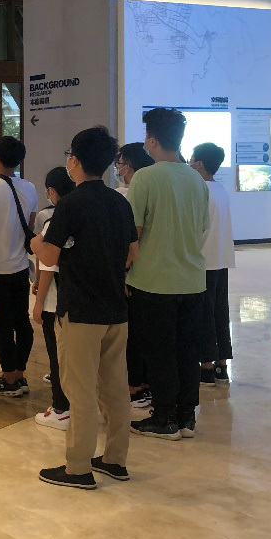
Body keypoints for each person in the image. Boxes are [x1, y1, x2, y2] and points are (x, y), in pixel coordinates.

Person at [31, 127, 138, 490]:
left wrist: (36, 242)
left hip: (79, 312)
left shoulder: (70, 204)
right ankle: (115, 459)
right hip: (116, 310)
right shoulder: (120, 203)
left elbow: (49, 256)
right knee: (115, 389)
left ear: (74, 161)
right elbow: (133, 252)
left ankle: (78, 468)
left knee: (80, 392)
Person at [127, 108, 210, 441]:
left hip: (153, 281)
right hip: (193, 280)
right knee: (188, 351)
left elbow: (132, 233)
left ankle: (164, 418)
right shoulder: (196, 179)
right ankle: (186, 417)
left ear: (152, 140)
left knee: (160, 352)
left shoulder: (145, 178)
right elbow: (201, 227)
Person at [0, 136, 38, 397]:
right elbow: (30, 227)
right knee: (21, 322)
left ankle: (9, 379)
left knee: (1, 325)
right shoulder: (30, 188)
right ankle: (20, 374)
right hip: (19, 268)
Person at [31, 166, 75, 430]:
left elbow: (48, 264)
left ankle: (61, 407)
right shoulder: (82, 215)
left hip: (56, 301)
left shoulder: (54, 221)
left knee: (57, 355)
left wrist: (38, 302)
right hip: (79, 299)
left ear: (52, 191)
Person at [189, 142, 235, 386]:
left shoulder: (200, 190)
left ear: (199, 164)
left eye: (191, 159)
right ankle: (221, 366)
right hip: (221, 259)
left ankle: (206, 368)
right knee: (220, 312)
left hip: (203, 262)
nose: (188, 163)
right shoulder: (221, 190)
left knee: (204, 315)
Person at [115, 143, 155, 408]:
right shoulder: (155, 190)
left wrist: (123, 272)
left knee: (132, 333)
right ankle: (147, 384)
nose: (118, 169)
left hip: (133, 274)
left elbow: (128, 239)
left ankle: (134, 387)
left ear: (127, 167)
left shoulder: (124, 195)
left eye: (119, 164)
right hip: (155, 273)